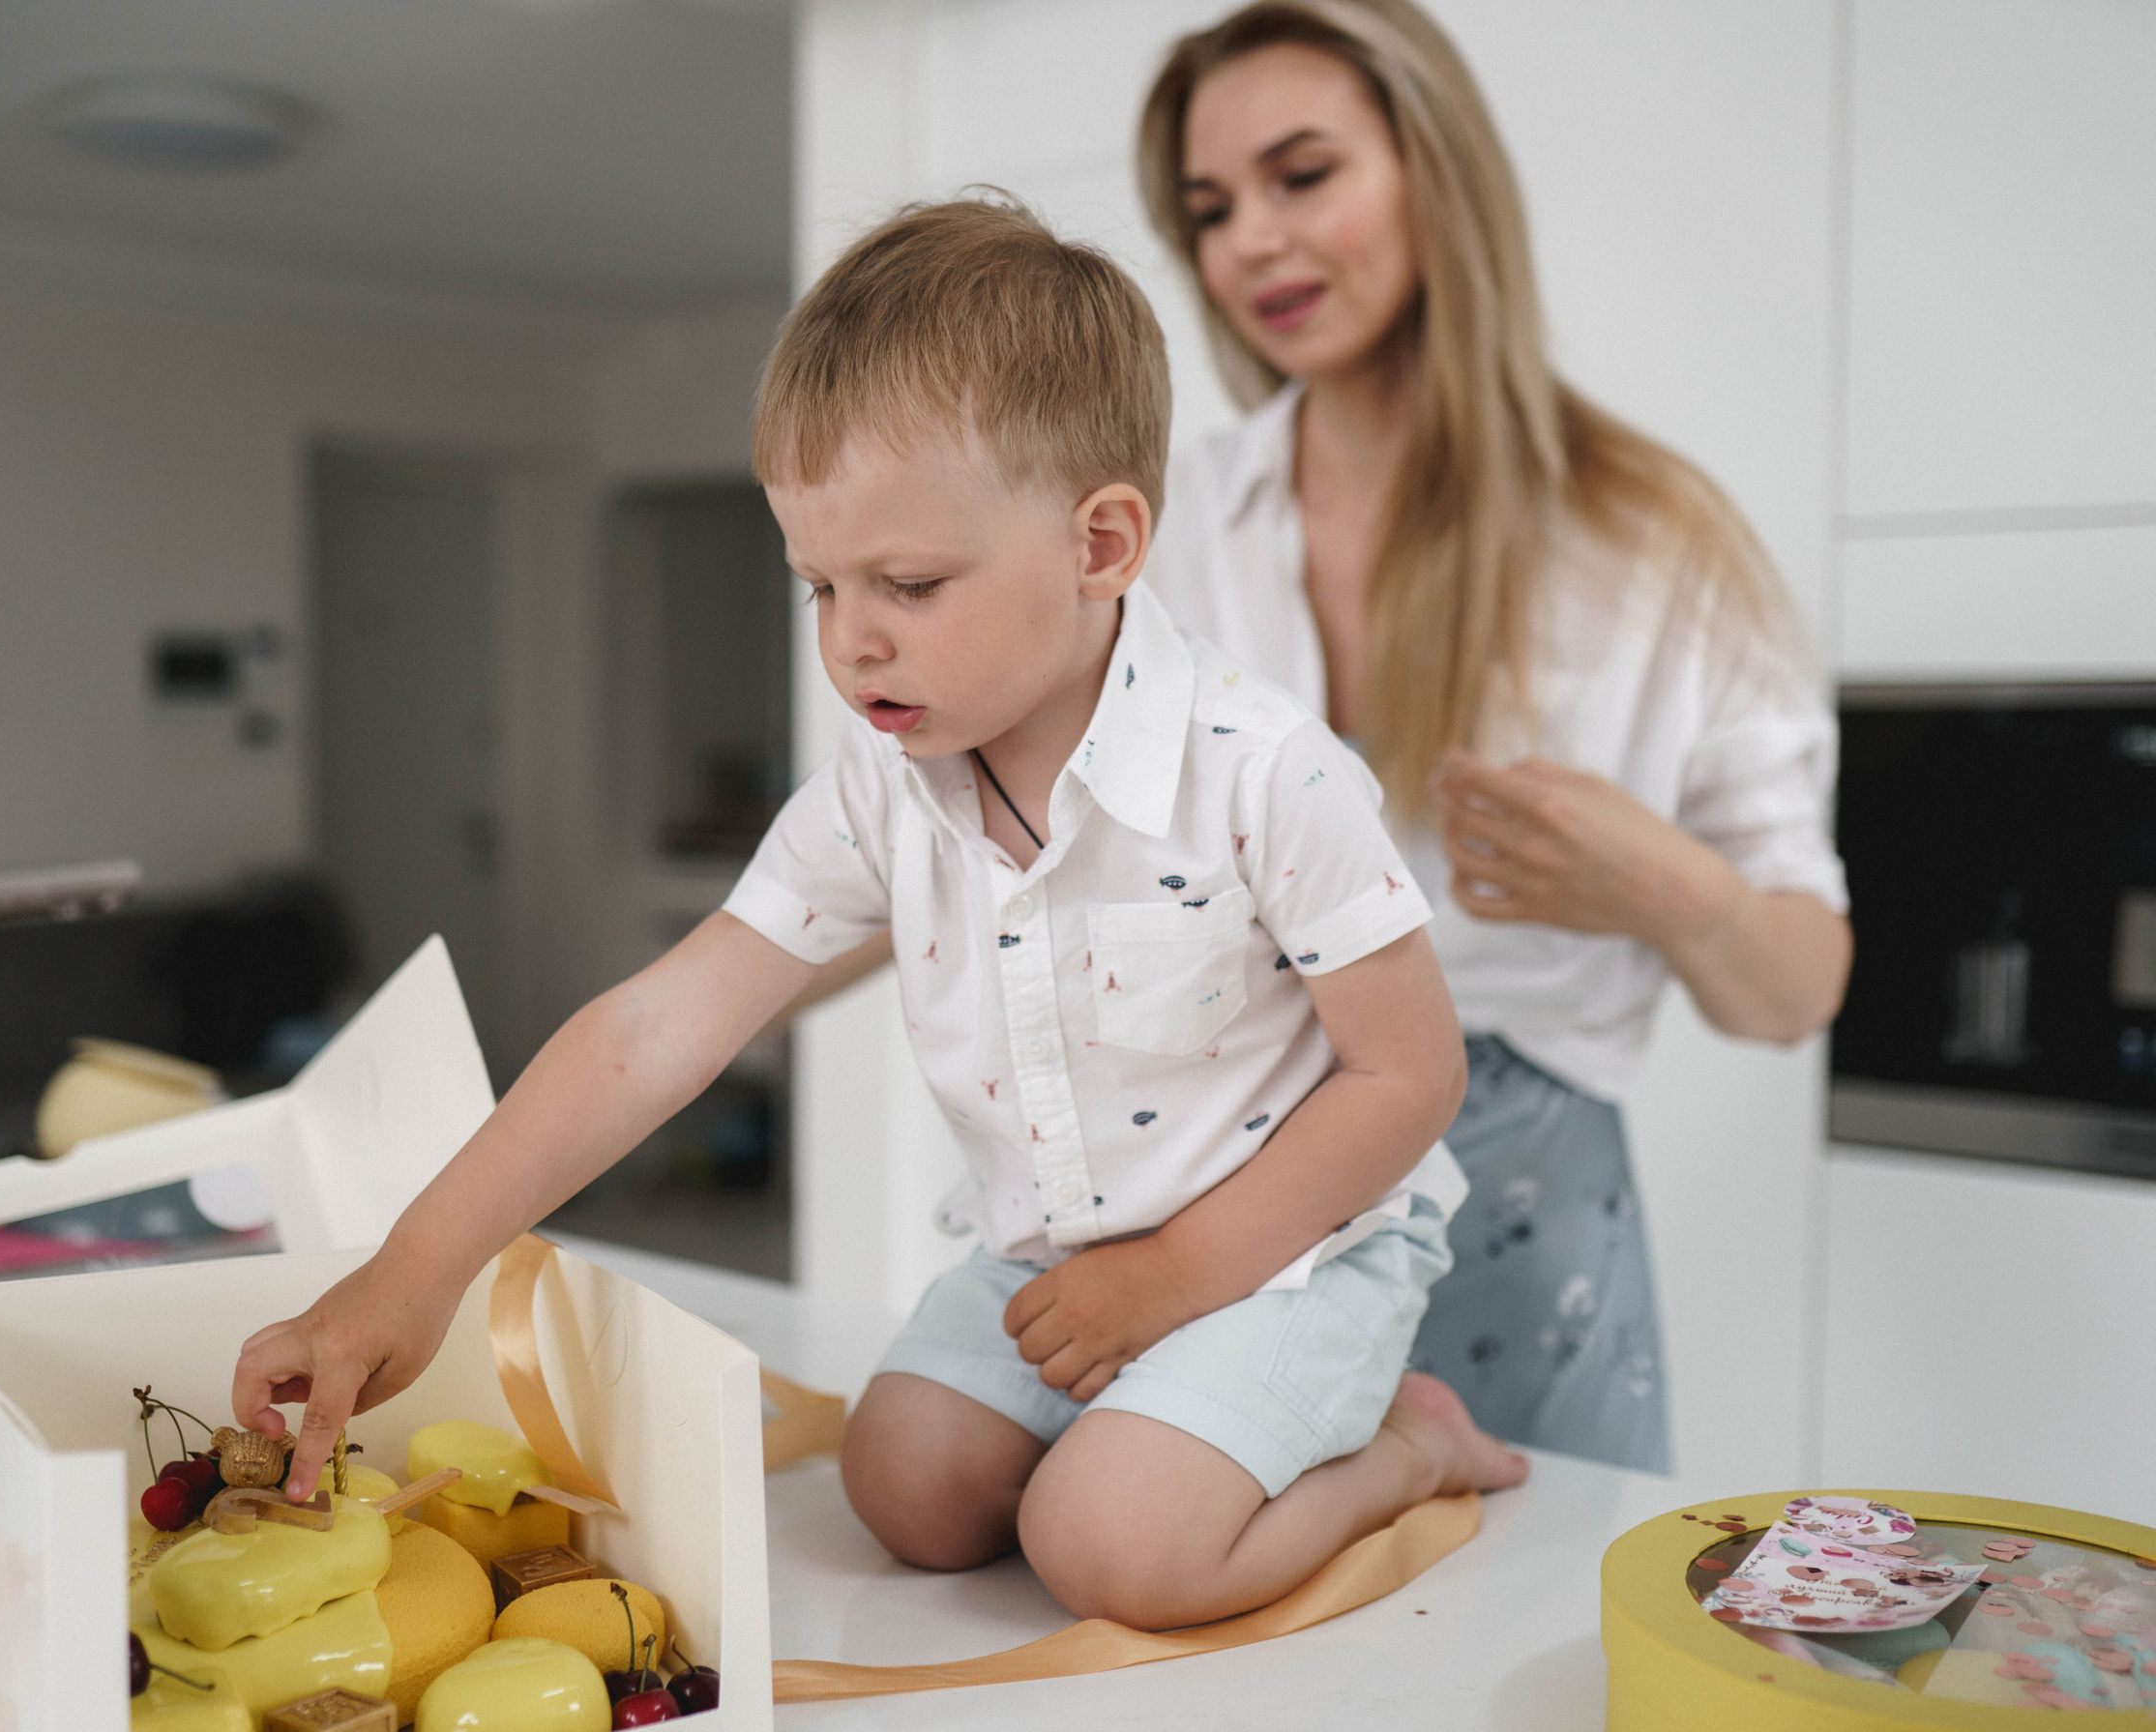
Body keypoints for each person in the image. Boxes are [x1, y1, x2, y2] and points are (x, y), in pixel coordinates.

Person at [233, 199, 1525, 1632]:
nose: (852, 640)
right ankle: (1154, 1434)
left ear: (1101, 545)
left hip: (1284, 1258)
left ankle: (1409, 1446)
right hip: (1055, 1267)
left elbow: (1412, 1076)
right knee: (903, 1487)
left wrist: (1173, 1280)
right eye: (820, 585)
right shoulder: (881, 786)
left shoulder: (1265, 771)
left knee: (1114, 1552)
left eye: (909, 585)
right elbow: (658, 1028)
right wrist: (412, 1275)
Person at [1133, 0, 1853, 1473]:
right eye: (1210, 210)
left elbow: (1799, 988)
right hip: (1212, 1199)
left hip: (1525, 1234)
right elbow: (938, 822)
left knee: (1532, 1611)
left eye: (1302, 175)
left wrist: (1670, 892)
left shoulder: (1653, 543)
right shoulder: (1161, 525)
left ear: (1437, 172)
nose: (1252, 241)